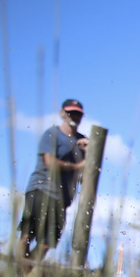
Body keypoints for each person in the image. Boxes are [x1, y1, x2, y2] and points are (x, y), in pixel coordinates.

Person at [18, 98, 88, 259]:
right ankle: (17, 272)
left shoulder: (82, 141)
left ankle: (23, 273)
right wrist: (76, 167)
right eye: (71, 113)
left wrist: (90, 151)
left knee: (47, 242)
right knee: (27, 236)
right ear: (62, 113)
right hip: (41, 189)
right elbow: (50, 162)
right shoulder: (52, 134)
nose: (74, 117)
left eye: (78, 114)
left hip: (62, 199)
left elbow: (87, 174)